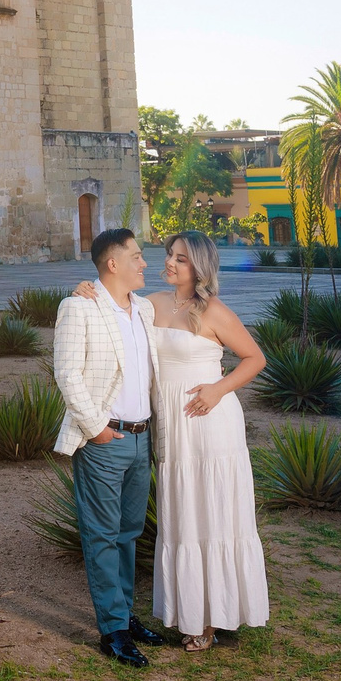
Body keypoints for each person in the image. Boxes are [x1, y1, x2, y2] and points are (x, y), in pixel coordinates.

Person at [79, 230, 269, 647]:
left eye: (180, 259)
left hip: (210, 426)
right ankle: (190, 609)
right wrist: (86, 288)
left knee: (213, 515)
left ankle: (212, 618)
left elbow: (255, 358)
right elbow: (113, 307)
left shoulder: (214, 311)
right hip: (169, 430)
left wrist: (217, 390)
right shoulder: (148, 306)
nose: (168, 262)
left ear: (198, 267)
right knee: (182, 516)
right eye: (169, 255)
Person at [50, 227, 169, 666]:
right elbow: (67, 374)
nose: (145, 263)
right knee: (101, 536)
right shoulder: (78, 307)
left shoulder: (144, 309)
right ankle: (113, 631)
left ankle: (125, 615)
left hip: (141, 439)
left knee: (127, 534)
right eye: (137, 256)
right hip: (105, 439)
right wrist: (97, 428)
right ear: (112, 264)